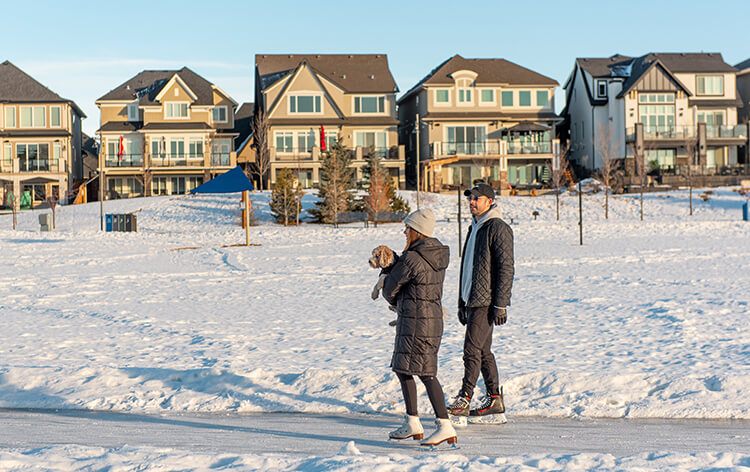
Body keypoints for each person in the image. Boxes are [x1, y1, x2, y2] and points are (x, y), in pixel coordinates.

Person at [380, 208, 457, 446]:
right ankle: (412, 421)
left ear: (417, 231)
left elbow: (389, 290)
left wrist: (387, 267)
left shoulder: (413, 258)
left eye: (407, 227)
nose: (404, 231)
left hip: (416, 322)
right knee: (404, 369)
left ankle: (445, 425)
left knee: (425, 373)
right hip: (429, 320)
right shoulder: (435, 256)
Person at [447, 182, 514, 423]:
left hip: (486, 301)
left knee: (471, 350)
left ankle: (465, 398)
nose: (472, 202)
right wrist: (461, 302)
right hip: (472, 299)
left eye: (476, 198)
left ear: (490, 201)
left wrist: (501, 303)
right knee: (483, 351)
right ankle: (494, 399)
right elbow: (467, 269)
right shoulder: (475, 228)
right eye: (470, 199)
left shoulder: (497, 228)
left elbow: (506, 268)